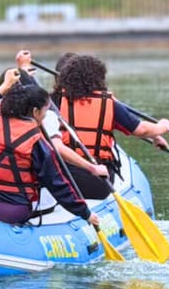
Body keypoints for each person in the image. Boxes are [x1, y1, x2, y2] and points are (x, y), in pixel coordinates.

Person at [0, 83, 99, 227]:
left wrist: (3, 87)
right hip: (12, 210)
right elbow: (57, 185)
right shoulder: (38, 143)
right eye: (45, 110)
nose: (45, 115)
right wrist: (86, 213)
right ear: (35, 111)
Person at [54, 54, 169, 198]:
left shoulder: (53, 103)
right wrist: (163, 126)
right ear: (98, 78)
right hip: (100, 183)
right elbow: (141, 129)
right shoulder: (108, 104)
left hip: (63, 182)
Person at [14, 50, 109, 188]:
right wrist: (92, 167)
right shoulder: (105, 102)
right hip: (86, 176)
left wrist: (23, 70)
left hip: (62, 175)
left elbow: (28, 92)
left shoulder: (45, 104)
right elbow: (141, 129)